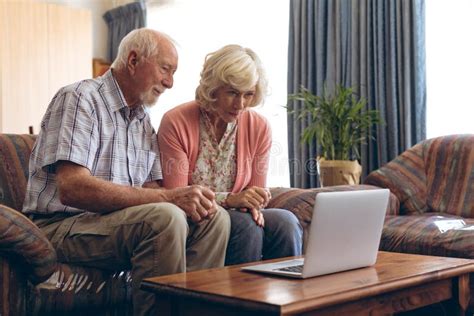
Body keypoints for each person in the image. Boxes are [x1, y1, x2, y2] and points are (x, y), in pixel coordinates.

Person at [22, 28, 230, 316]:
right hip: (60, 225)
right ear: (133, 60)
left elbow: (154, 190)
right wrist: (169, 199)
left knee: (213, 217)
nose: (169, 82)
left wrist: (185, 197)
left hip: (111, 223)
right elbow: (72, 188)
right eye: (165, 69)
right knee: (164, 217)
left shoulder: (142, 120)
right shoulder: (80, 98)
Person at [158, 44, 303, 265]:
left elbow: (255, 192)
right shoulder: (176, 121)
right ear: (213, 89)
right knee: (246, 226)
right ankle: (239, 299)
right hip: (195, 218)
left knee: (287, 222)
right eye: (233, 93)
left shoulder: (259, 126)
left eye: (249, 94)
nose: (240, 104)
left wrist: (255, 200)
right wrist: (232, 200)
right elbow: (177, 196)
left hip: (238, 213)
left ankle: (289, 298)